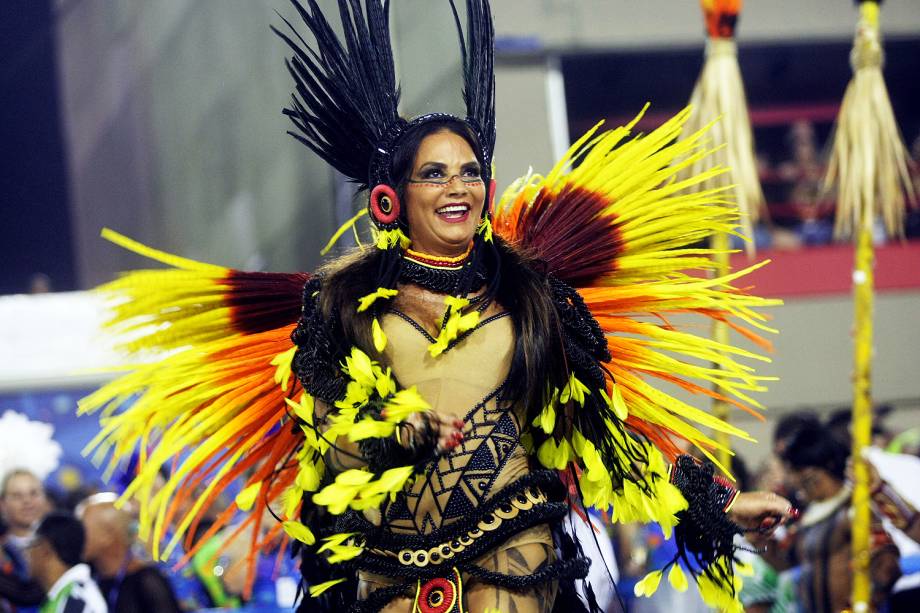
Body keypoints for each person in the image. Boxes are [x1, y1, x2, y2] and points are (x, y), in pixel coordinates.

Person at [79, 1, 794, 611]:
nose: (459, 187)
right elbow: (330, 440)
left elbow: (606, 435)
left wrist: (721, 502)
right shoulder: (342, 304)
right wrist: (397, 431)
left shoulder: (535, 295)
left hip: (517, 568)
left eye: (471, 171)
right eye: (434, 173)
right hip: (389, 577)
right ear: (392, 196)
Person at [779, 421, 901, 613]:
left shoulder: (853, 508)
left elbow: (887, 564)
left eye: (801, 472)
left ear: (823, 466)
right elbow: (783, 562)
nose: (795, 480)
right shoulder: (807, 517)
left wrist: (864, 603)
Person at [76, 495, 181, 613]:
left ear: (108, 536)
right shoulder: (86, 582)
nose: (75, 537)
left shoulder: (146, 581)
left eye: (82, 530)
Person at [24, 512, 106, 613]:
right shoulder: (64, 596)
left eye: (30, 545)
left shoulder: (75, 601)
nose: (26, 553)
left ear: (45, 550)